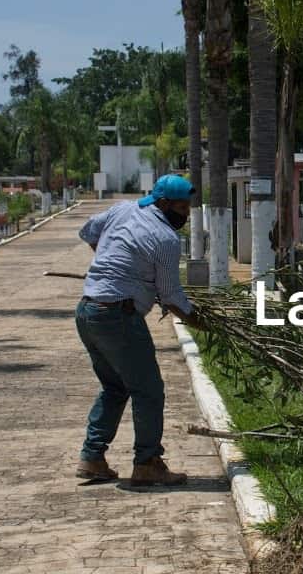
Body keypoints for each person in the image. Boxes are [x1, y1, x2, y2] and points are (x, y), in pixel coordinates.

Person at [73, 174, 206, 486]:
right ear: (163, 203)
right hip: (118, 316)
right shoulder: (166, 239)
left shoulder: (122, 210)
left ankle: (92, 458)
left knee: (115, 388)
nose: (185, 214)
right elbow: (172, 296)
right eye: (182, 207)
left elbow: (87, 231)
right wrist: (203, 324)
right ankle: (147, 462)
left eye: (188, 207)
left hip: (88, 311)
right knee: (148, 391)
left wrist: (112, 263)